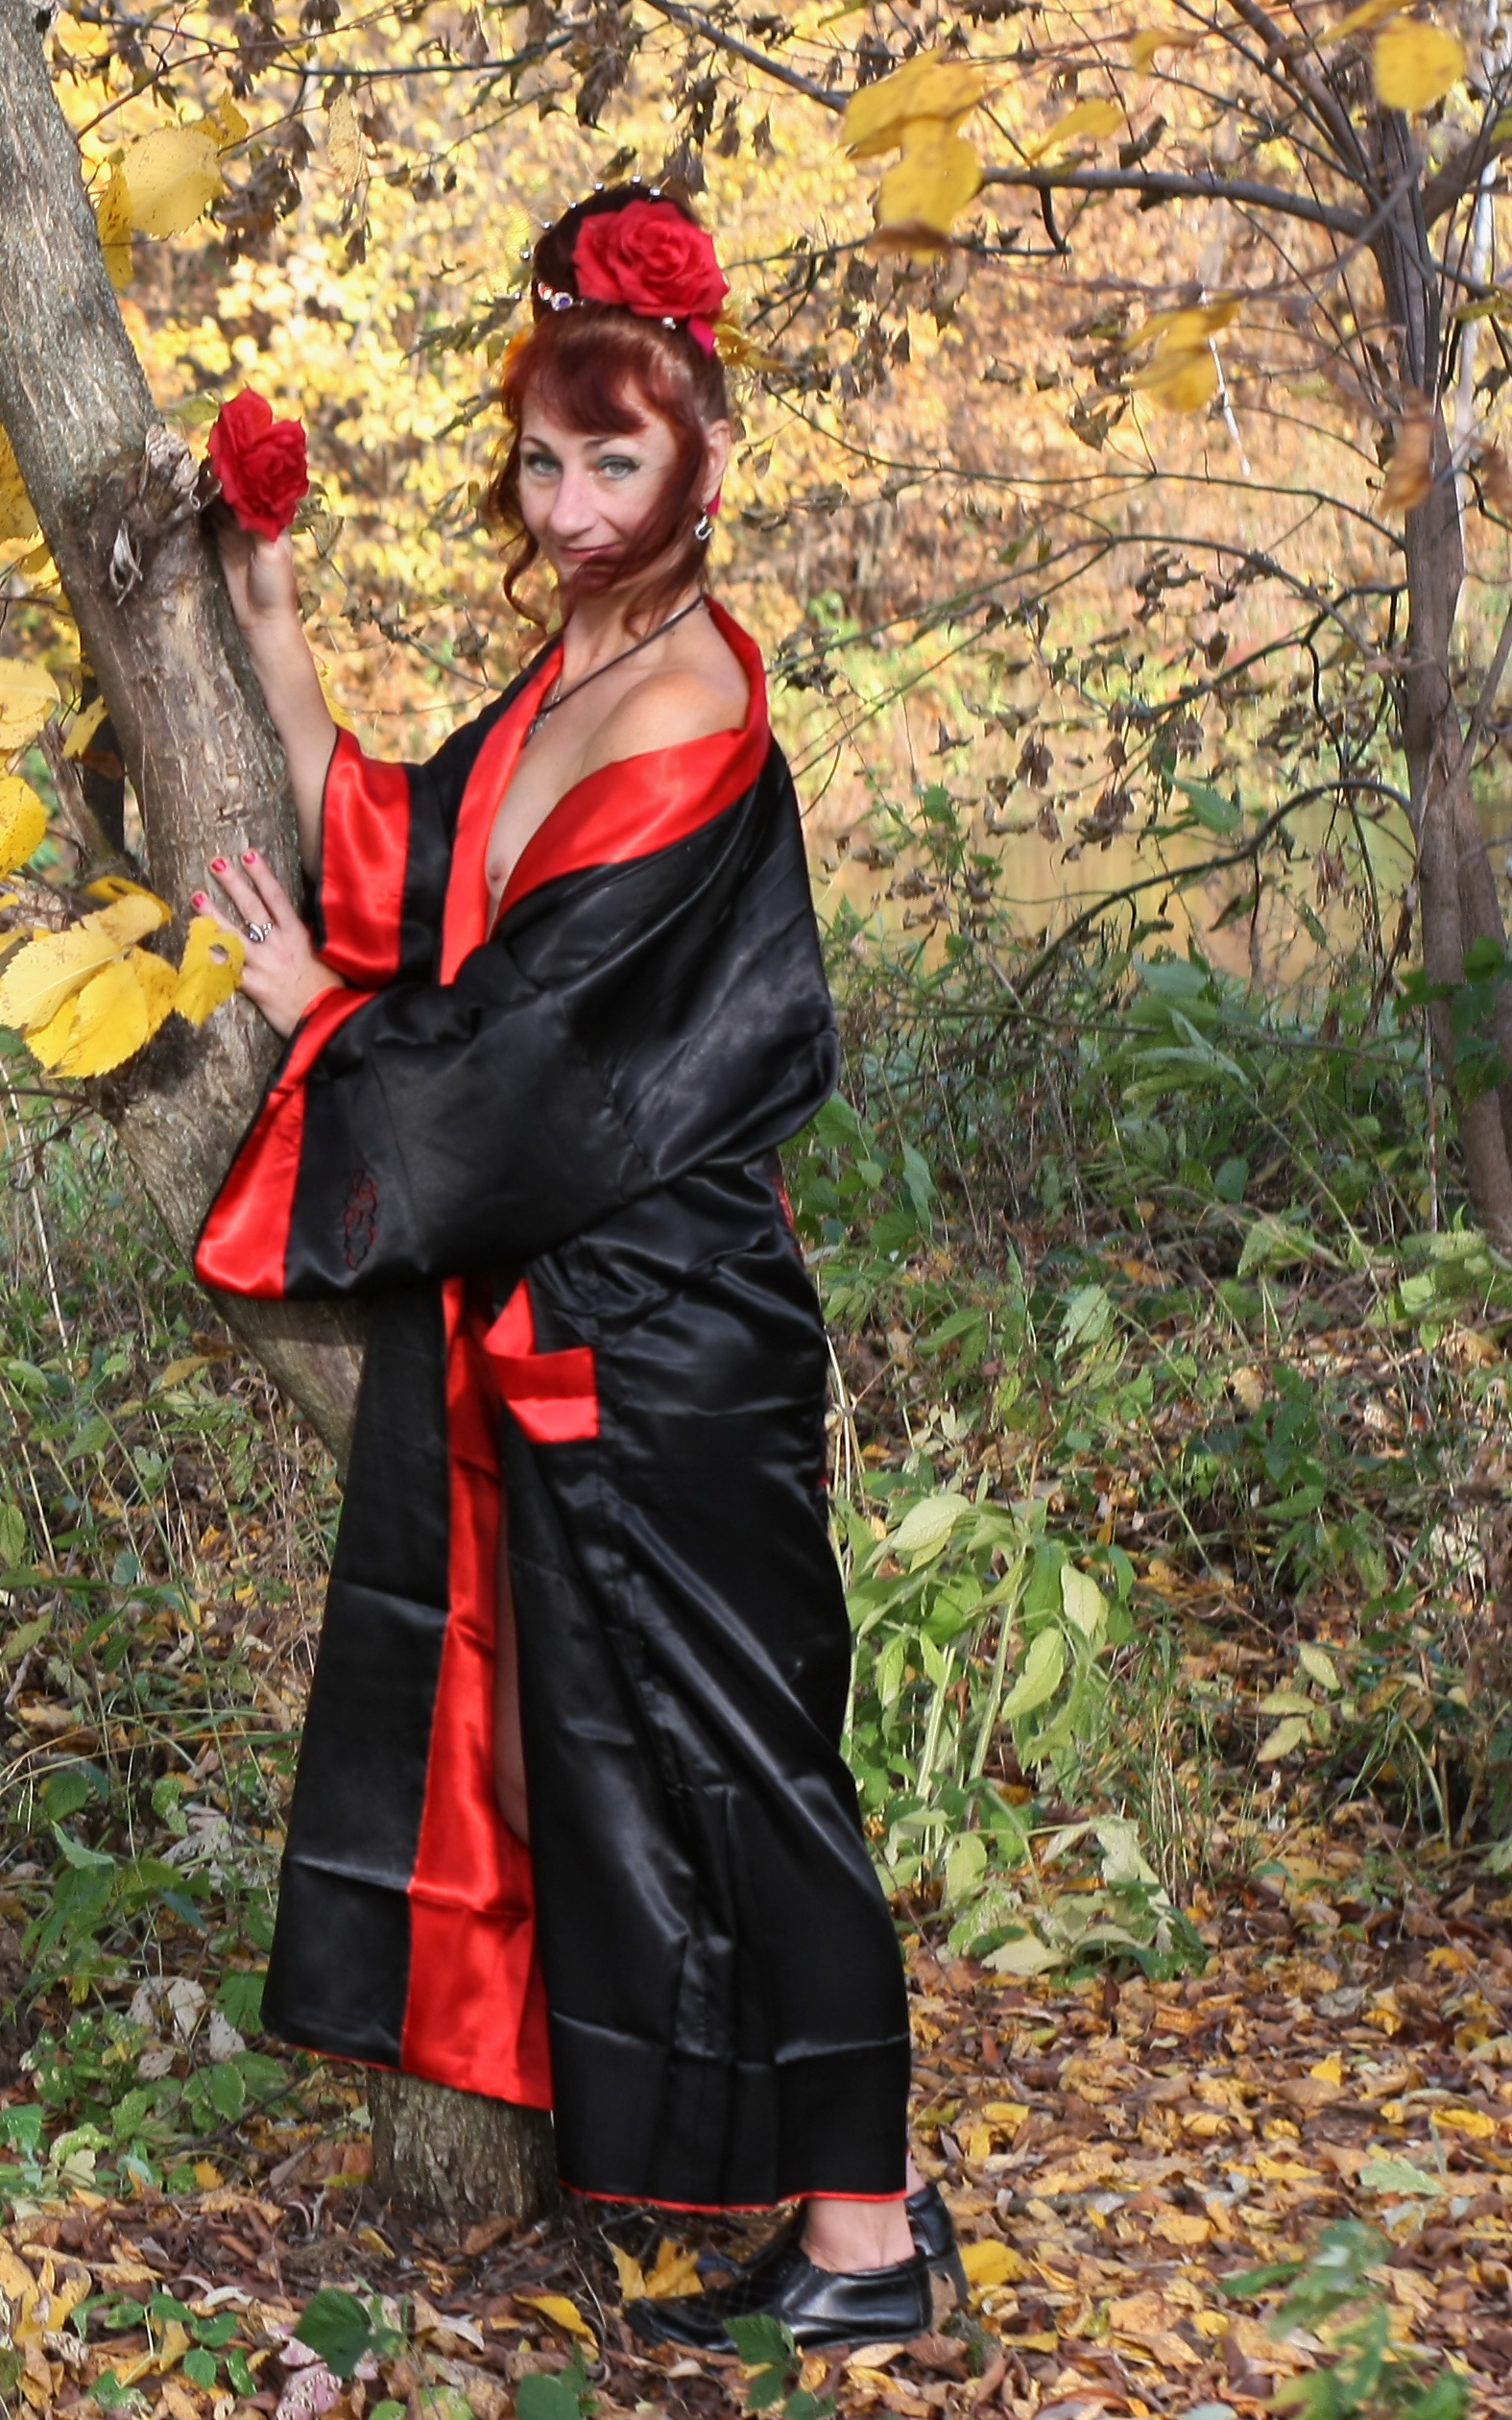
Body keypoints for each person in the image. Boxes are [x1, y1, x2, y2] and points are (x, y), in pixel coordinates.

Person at [186, 185, 953, 2350]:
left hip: (675, 1335)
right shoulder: (576, 668)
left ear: (699, 454)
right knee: (601, 1766)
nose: (572, 506)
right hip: (583, 1324)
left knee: (745, 1765)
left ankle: (865, 2238)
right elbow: (414, 865)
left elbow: (532, 1060)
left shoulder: (689, 701)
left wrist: (318, 1028)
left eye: (615, 460)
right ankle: (824, 2199)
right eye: (540, 459)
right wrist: (263, 605)